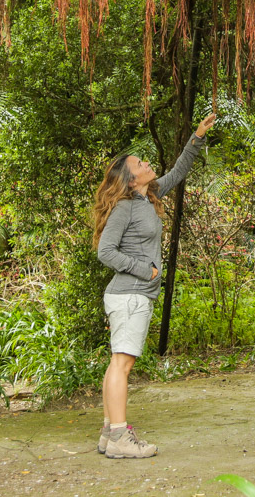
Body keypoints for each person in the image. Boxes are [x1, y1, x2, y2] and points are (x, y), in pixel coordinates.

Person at [91, 111, 217, 459]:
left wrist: (197, 136)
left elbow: (177, 172)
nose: (146, 162)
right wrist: (144, 269)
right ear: (130, 179)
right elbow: (105, 251)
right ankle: (119, 436)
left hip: (133, 296)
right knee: (122, 364)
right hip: (129, 296)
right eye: (139, 162)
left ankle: (108, 433)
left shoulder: (148, 196)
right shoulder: (126, 207)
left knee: (118, 362)